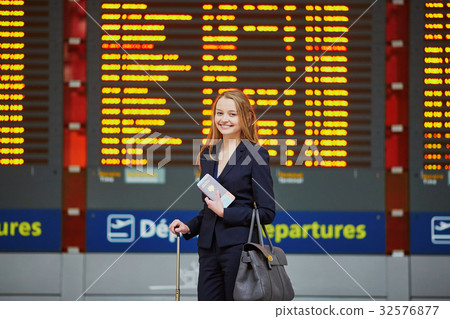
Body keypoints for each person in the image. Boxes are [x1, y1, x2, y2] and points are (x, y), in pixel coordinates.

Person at [169, 89, 275, 301]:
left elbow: (267, 212)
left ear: (246, 117)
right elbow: (210, 206)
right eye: (219, 113)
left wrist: (226, 213)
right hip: (208, 249)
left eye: (232, 114)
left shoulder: (256, 154)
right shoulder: (208, 154)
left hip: (240, 249)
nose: (224, 119)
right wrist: (190, 226)